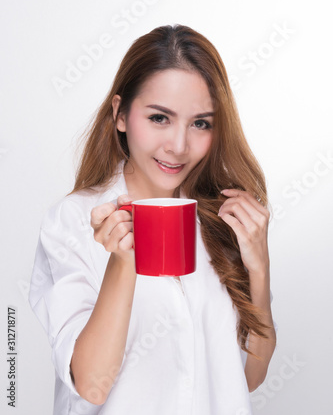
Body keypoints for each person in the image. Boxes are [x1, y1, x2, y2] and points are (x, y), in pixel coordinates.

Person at [29, 24, 277, 415]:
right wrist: (123, 262)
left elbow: (247, 377)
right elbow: (91, 385)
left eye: (200, 123)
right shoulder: (74, 221)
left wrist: (259, 268)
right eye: (160, 118)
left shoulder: (222, 218)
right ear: (121, 115)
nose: (178, 146)